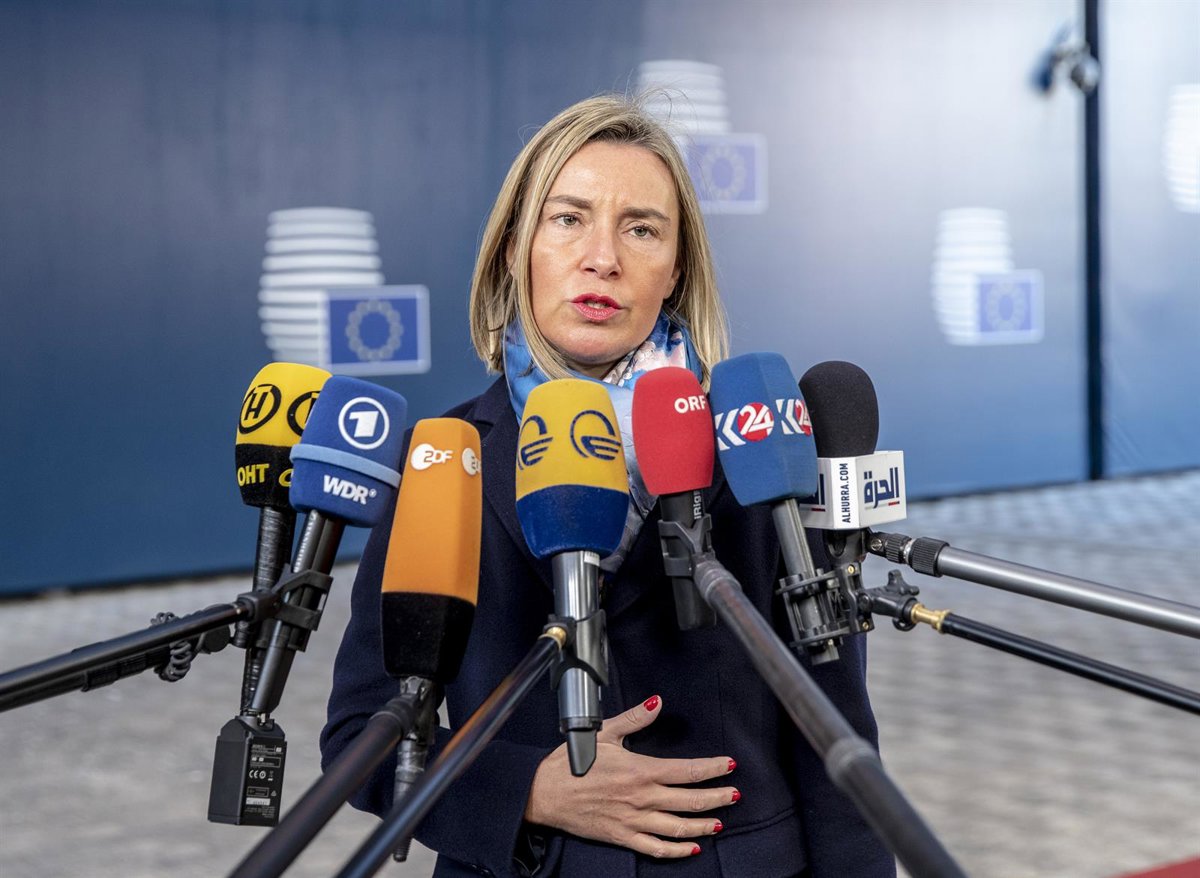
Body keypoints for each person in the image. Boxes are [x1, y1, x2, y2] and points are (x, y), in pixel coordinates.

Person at [321, 94, 895, 878]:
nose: (603, 258)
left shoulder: (760, 440)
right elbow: (361, 734)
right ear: (515, 249)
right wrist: (527, 789)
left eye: (642, 229)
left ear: (676, 268)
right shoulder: (445, 456)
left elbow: (836, 727)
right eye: (568, 219)